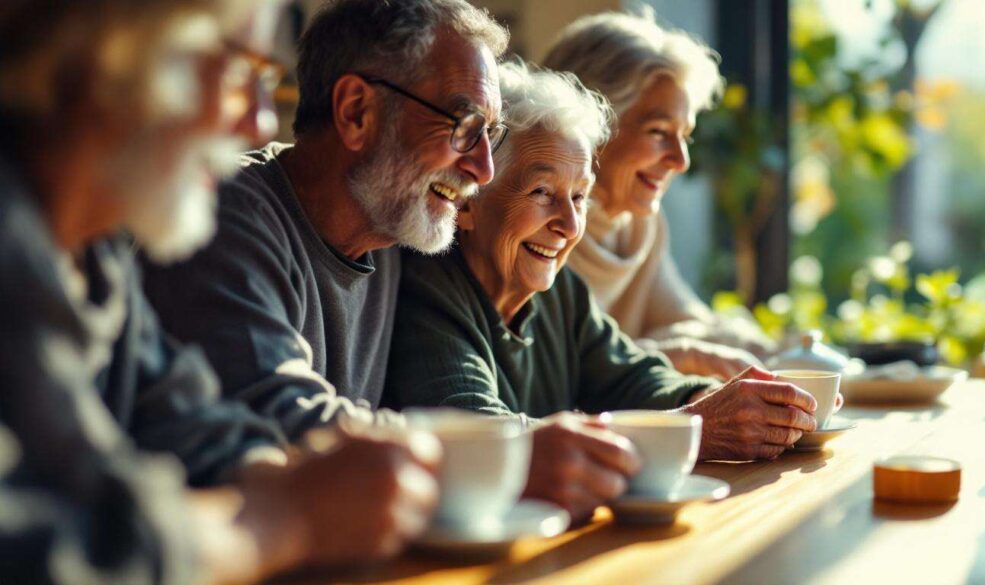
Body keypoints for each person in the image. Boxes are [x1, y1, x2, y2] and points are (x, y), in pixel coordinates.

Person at [0, 1, 440, 583]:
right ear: (112, 59)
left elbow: (190, 426)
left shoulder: (96, 256)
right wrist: (282, 517)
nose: (260, 123)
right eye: (242, 74)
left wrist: (291, 481)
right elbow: (31, 551)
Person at [386, 61, 820, 522]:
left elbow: (632, 377)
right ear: (468, 202)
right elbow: (479, 438)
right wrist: (700, 429)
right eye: (540, 192)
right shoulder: (426, 288)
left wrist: (721, 406)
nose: (570, 226)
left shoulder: (560, 293)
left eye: (578, 198)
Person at [143, 0, 509, 441]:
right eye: (465, 125)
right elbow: (279, 420)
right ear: (357, 112)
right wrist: (505, 448)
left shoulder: (395, 227)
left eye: (490, 133)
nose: (484, 169)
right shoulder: (226, 215)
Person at [541, 9, 779, 380]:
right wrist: (670, 351)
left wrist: (787, 350)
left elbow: (692, 322)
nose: (680, 160)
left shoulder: (638, 225)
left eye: (684, 135)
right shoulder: (537, 225)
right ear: (587, 125)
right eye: (657, 131)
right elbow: (551, 375)